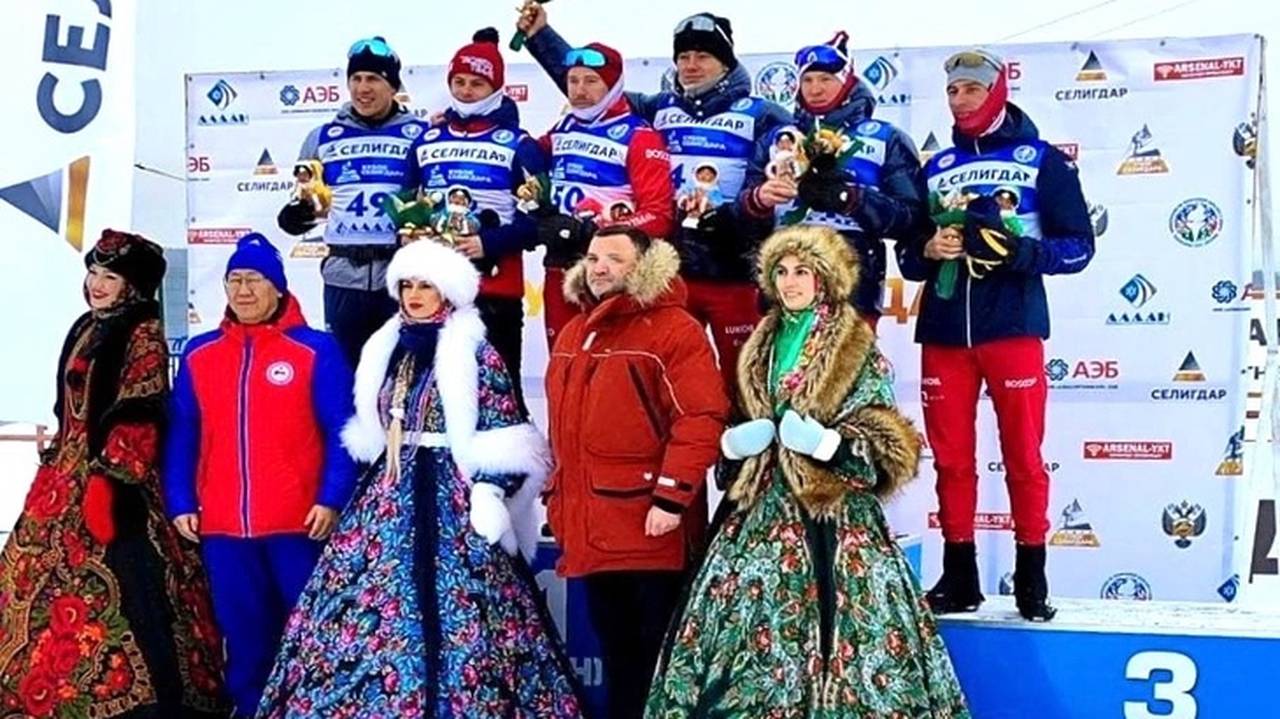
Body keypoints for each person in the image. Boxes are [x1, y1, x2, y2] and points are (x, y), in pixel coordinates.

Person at [647, 224, 970, 717]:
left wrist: (828, 445)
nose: (790, 282)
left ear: (825, 277)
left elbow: (889, 443)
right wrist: (733, 445)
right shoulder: (759, 342)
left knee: (850, 636)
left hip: (835, 516)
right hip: (758, 511)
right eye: (781, 272)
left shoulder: (856, 345)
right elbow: (738, 419)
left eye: (802, 271)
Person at [257, 238, 584, 718]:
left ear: (446, 291)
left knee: (465, 612)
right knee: (366, 608)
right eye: (407, 285)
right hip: (389, 492)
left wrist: (490, 488)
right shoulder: (388, 348)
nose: (414, 295)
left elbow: (504, 426)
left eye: (425, 286)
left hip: (455, 496)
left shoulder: (476, 351)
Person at [896, 48, 1095, 622]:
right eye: (952, 91)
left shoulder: (1043, 161)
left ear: (998, 92)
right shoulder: (936, 167)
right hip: (944, 332)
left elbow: (1079, 247)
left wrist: (1018, 252)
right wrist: (929, 248)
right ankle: (960, 578)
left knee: (1023, 456)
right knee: (951, 460)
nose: (960, 101)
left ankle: (1032, 577)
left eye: (972, 90)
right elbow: (908, 255)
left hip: (1012, 327)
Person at [0, 230, 226, 718]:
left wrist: (112, 479)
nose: (97, 284)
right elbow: (67, 408)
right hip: (67, 475)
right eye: (94, 273)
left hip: (117, 480)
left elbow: (140, 407)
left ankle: (140, 697)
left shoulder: (142, 331)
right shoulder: (86, 325)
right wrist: (59, 463)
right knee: (34, 579)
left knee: (130, 581)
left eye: (111, 277)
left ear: (133, 287)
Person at [519, 6, 794, 390]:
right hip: (673, 269)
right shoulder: (660, 107)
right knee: (676, 380)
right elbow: (595, 87)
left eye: (703, 56)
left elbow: (771, 186)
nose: (691, 66)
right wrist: (540, 36)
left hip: (733, 266)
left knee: (744, 382)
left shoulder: (763, 114)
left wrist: (738, 212)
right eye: (684, 56)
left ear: (726, 62)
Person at [164, 233, 358, 717]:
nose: (243, 290)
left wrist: (332, 497)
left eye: (254, 279)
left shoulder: (315, 350)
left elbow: (342, 431)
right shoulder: (200, 353)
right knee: (244, 635)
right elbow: (184, 431)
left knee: (309, 632)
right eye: (234, 280)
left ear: (278, 287)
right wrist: (181, 500)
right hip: (225, 527)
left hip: (298, 523)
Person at [544, 226, 729, 719]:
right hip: (591, 528)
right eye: (592, 258)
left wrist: (672, 497)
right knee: (616, 654)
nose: (599, 267)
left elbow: (700, 418)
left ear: (644, 267)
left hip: (650, 529)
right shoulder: (575, 331)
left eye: (614, 258)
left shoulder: (675, 329)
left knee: (650, 662)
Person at [742, 31, 928, 330]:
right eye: (807, 80)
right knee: (785, 362)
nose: (815, 88)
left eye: (826, 79)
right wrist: (758, 201)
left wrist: (851, 198)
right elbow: (743, 219)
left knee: (847, 361)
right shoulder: (777, 139)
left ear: (847, 81)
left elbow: (910, 218)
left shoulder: (885, 137)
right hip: (784, 286)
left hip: (853, 286)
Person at [412, 28, 547, 403]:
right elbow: (406, 206)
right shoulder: (427, 139)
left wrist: (487, 243)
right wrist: (410, 233)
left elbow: (540, 221)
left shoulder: (520, 144)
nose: (467, 91)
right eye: (459, 82)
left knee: (501, 400)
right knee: (435, 398)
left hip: (495, 291)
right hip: (435, 291)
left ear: (496, 87)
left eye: (477, 83)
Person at [278, 36, 429, 367]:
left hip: (400, 275)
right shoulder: (322, 137)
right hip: (343, 276)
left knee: (402, 372)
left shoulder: (421, 134)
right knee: (346, 374)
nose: (363, 88)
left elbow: (433, 201)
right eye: (356, 78)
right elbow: (309, 200)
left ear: (393, 86)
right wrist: (296, 216)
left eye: (373, 79)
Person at [532, 41, 675, 347]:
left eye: (591, 81)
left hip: (611, 270)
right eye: (573, 81)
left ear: (612, 86)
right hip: (560, 262)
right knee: (562, 359)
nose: (579, 91)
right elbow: (523, 158)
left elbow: (659, 215)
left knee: (610, 360)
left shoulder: (639, 135)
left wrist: (598, 231)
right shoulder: (564, 127)